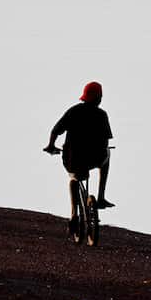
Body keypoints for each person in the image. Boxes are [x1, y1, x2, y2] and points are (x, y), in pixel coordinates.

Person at [44, 81, 115, 230]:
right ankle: (101, 197)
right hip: (96, 157)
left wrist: (51, 146)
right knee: (108, 154)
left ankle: (73, 215)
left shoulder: (73, 111)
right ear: (99, 98)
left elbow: (55, 130)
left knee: (74, 179)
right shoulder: (102, 115)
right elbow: (106, 140)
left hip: (73, 159)